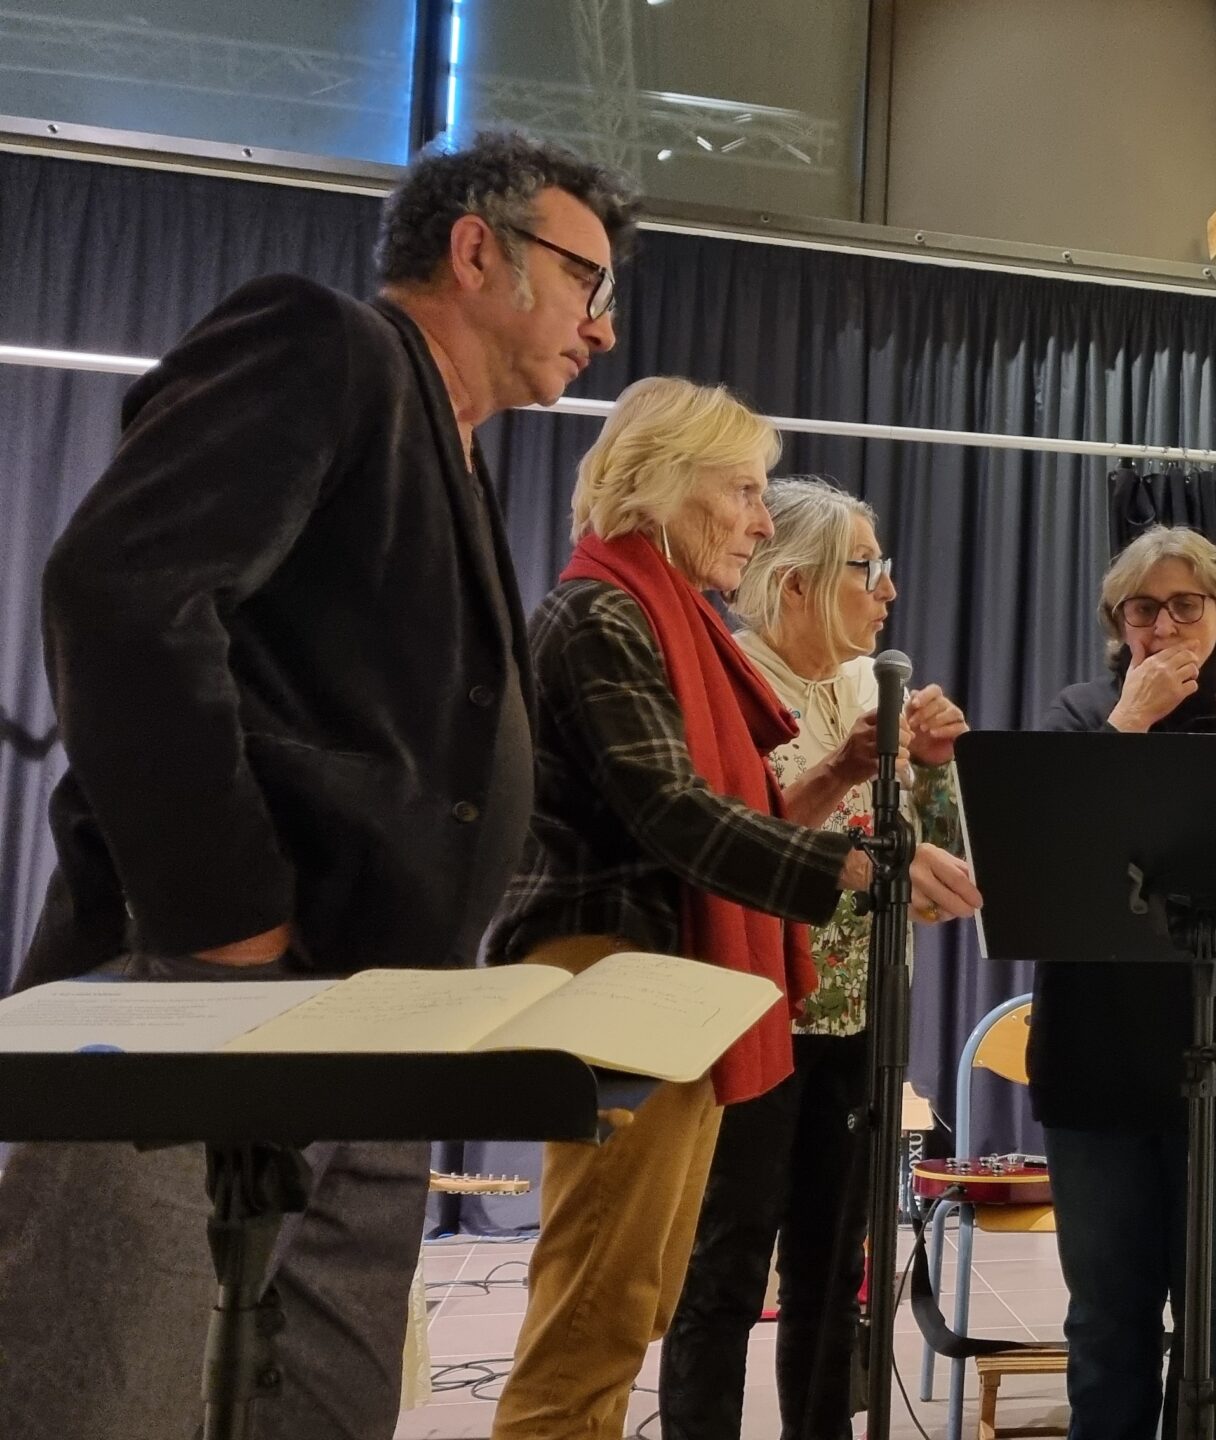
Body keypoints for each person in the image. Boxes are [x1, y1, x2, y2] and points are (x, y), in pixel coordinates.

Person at [0, 131, 634, 1440]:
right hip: (209, 999)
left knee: (324, 1399)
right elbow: (122, 593)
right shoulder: (322, 344)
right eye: (587, 280)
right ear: (479, 251)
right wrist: (229, 926)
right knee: (108, 1388)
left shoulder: (452, 443)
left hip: (377, 1020)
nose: (604, 327)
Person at [484, 379, 980, 1440]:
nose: (760, 523)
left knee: (635, 1300)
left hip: (675, 981)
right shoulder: (602, 611)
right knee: (598, 1309)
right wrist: (857, 867)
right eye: (745, 491)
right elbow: (673, 813)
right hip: (623, 970)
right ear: (663, 486)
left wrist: (853, 799)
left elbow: (728, 808)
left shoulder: (661, 618)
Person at [660, 477, 972, 1440]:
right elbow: (724, 853)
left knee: (837, 1271)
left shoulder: (871, 689)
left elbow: (943, 888)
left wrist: (930, 768)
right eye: (866, 566)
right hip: (753, 1018)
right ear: (794, 585)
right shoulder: (730, 684)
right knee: (726, 1264)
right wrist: (846, 772)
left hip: (863, 1023)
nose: (887, 589)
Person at [1031, 525, 1216, 1440]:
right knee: (1108, 1320)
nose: (1162, 625)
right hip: (1096, 1052)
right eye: (1141, 609)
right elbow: (1053, 866)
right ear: (1120, 625)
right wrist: (1131, 724)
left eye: (1186, 605)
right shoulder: (1082, 716)